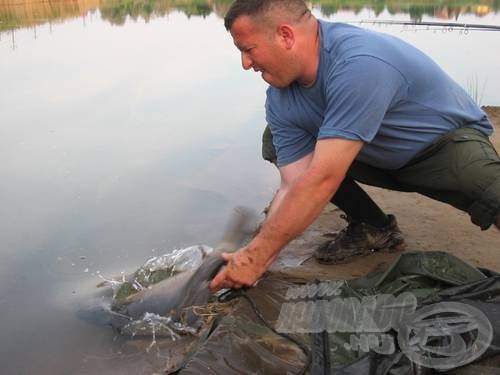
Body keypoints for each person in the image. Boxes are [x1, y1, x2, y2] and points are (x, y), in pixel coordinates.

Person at [210, 0, 500, 291]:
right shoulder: (280, 98)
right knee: (274, 139)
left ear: (285, 35)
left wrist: (254, 256)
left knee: (494, 192)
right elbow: (293, 185)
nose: (246, 64)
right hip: (374, 156)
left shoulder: (359, 62)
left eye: (248, 50)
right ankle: (374, 227)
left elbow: (322, 179)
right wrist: (259, 257)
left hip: (441, 149)